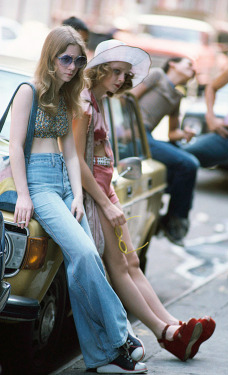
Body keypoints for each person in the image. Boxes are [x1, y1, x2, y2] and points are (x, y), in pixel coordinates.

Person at [9, 26, 149, 374]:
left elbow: (72, 153)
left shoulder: (65, 96)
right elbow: (14, 146)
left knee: (85, 266)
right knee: (85, 252)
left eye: (78, 60)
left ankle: (101, 356)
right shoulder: (29, 90)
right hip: (40, 184)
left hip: (64, 184)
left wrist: (75, 194)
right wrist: (25, 194)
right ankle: (122, 336)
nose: (72, 67)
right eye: (65, 59)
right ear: (51, 57)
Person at [73, 39, 216, 363]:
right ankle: (164, 334)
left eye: (126, 74)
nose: (122, 80)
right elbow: (77, 162)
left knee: (133, 263)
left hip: (108, 190)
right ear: (101, 69)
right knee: (119, 267)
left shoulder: (100, 102)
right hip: (95, 196)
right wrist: (105, 203)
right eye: (117, 72)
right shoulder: (83, 102)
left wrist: (111, 195)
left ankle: (173, 326)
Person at [184, 26, 228, 280]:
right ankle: (176, 217)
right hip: (227, 134)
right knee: (186, 157)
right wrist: (211, 118)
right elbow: (210, 87)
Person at [131, 57, 199, 246]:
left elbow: (172, 132)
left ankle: (172, 218)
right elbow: (129, 98)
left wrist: (184, 134)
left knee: (190, 163)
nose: (193, 69)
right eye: (189, 64)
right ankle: (175, 222)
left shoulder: (177, 96)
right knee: (188, 163)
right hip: (136, 135)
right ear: (173, 64)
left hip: (148, 137)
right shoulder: (157, 75)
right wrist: (127, 129)